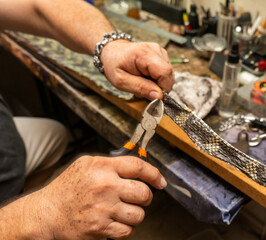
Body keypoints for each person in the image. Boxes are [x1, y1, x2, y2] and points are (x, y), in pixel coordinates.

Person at [0, 0, 174, 239]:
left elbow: (37, 6)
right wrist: (39, 212)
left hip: (7, 140)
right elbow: (41, 214)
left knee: (54, 136)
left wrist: (112, 46)